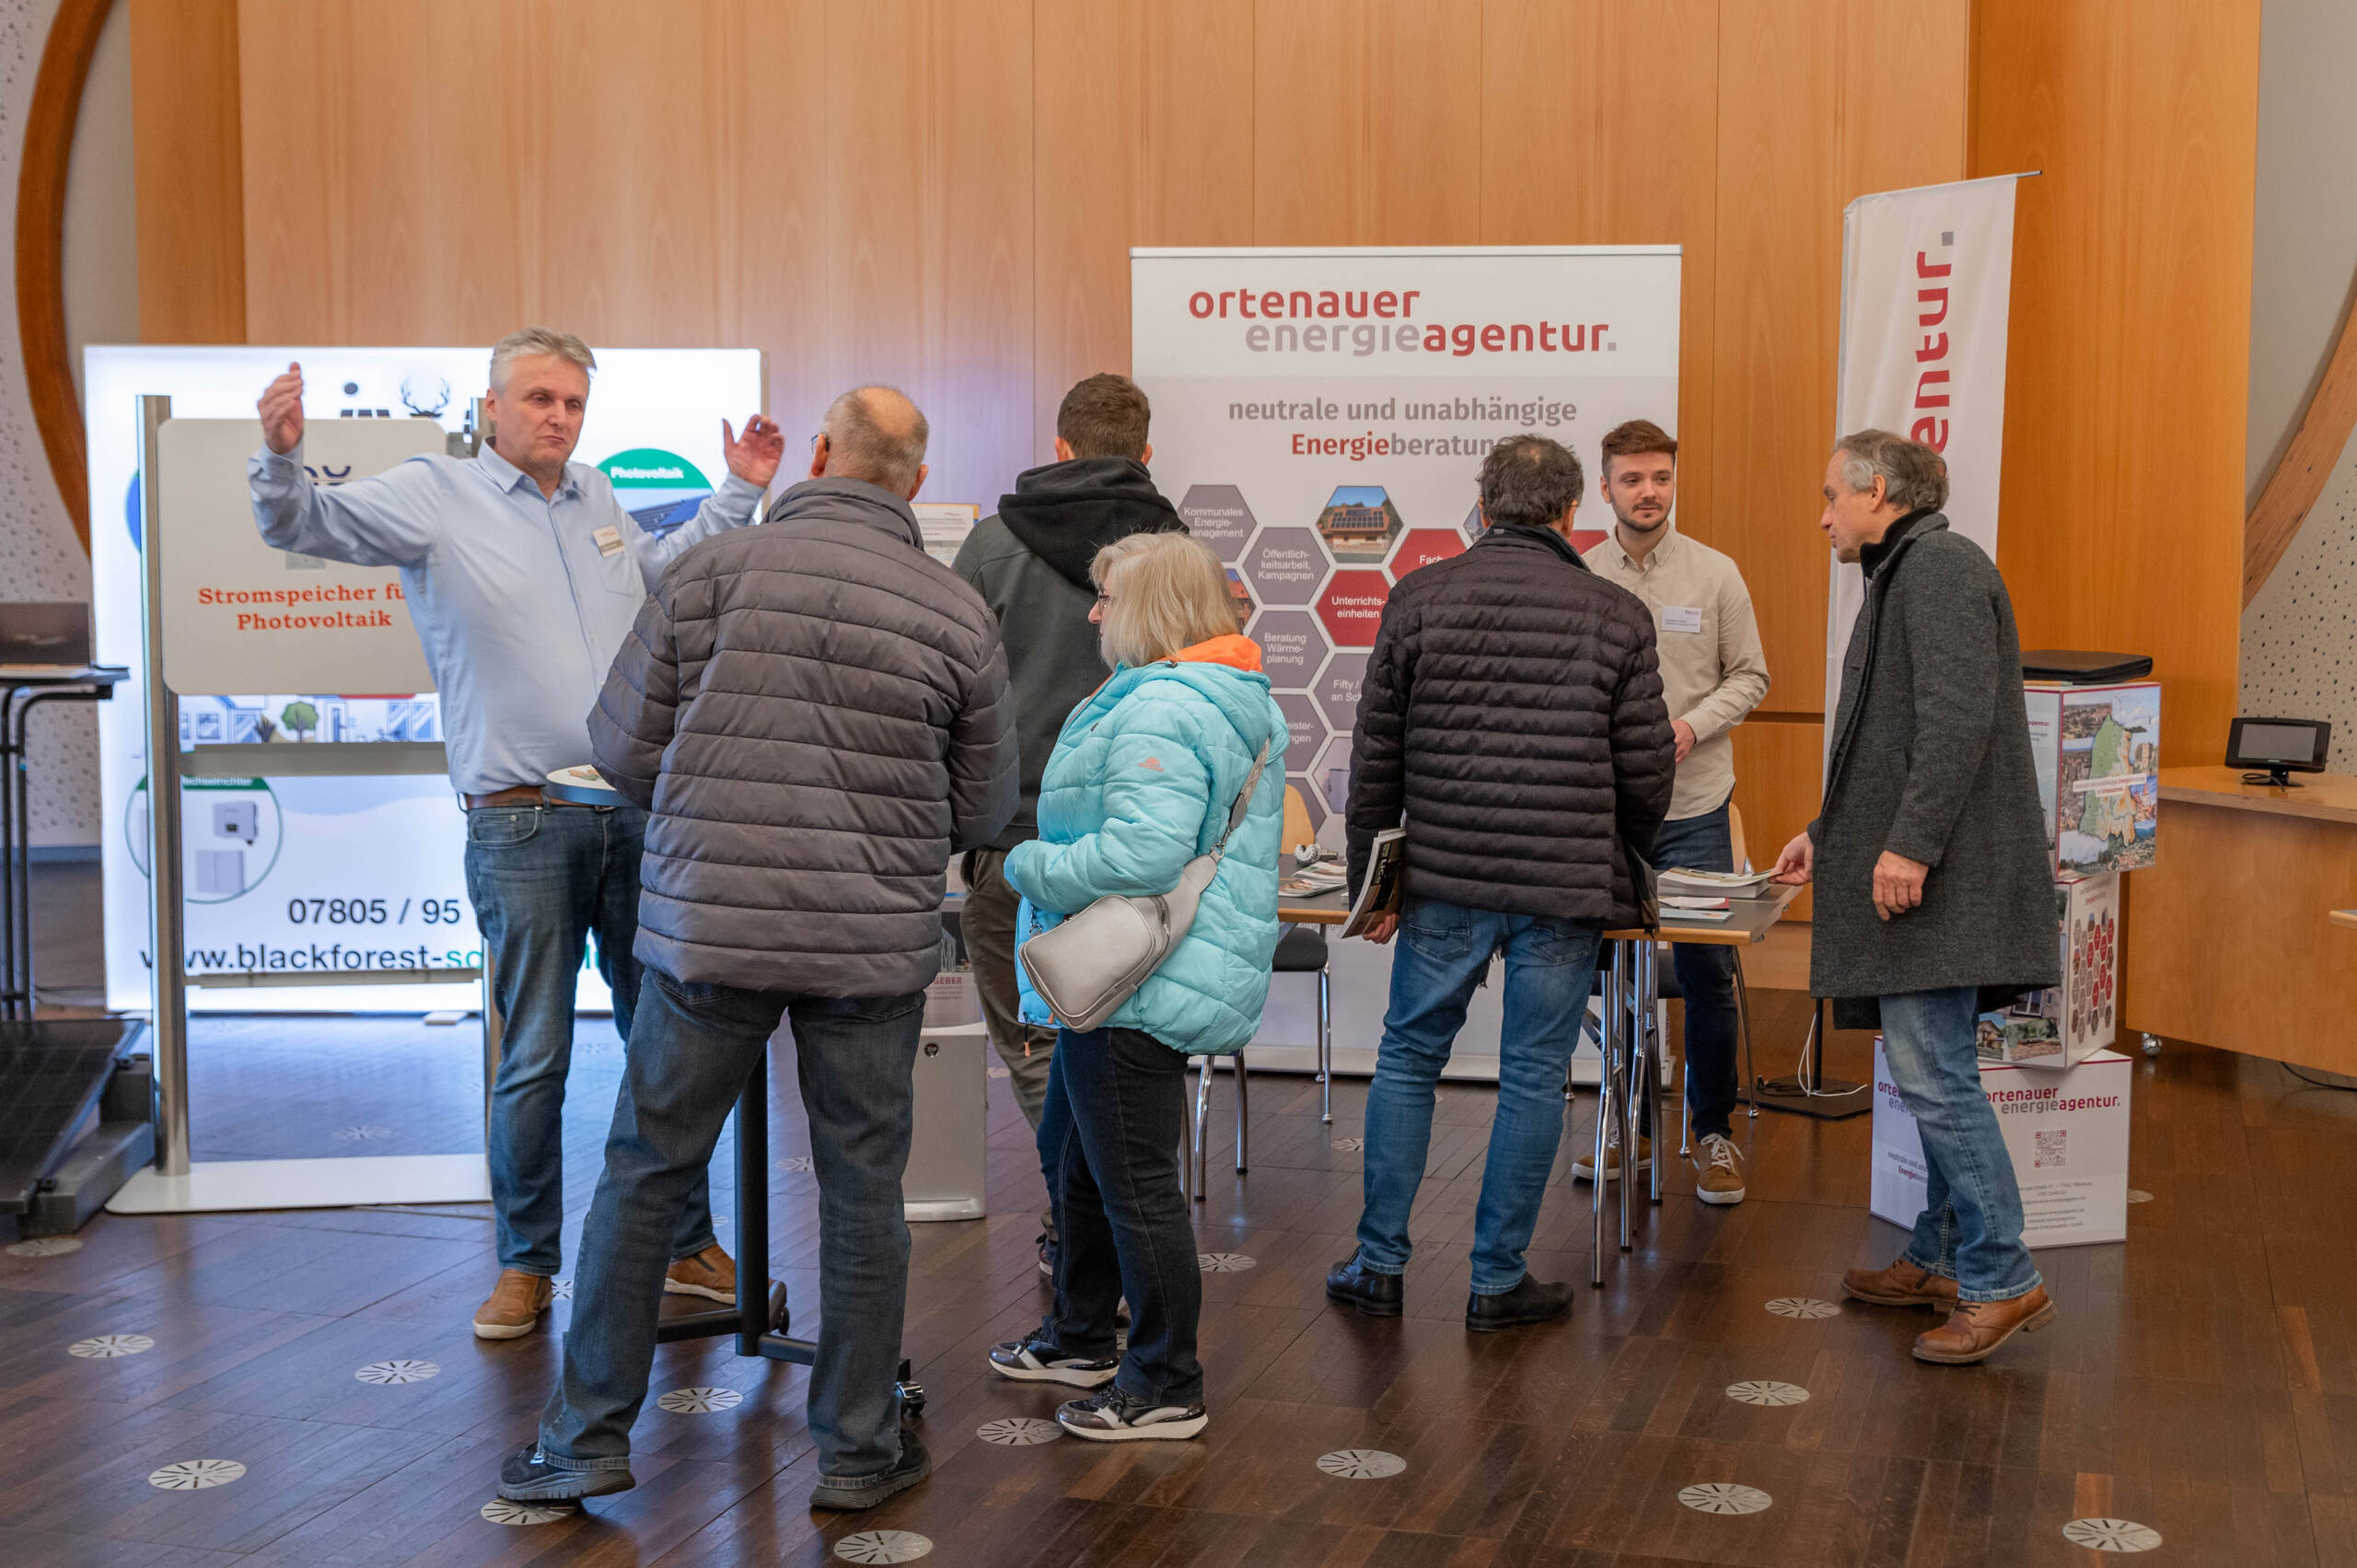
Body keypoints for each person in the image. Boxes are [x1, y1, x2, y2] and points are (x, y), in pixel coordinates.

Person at [497, 386, 1016, 1510]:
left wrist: (705, 811)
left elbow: (619, 745)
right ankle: (858, 1450)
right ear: (917, 483)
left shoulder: (707, 572)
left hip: (708, 930)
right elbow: (983, 809)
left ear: (818, 453)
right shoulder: (955, 608)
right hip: (870, 942)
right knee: (863, 1189)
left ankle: (584, 1440)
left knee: (646, 1169)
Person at [249, 330, 781, 1341]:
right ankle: (526, 1263)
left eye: (573, 402)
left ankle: (686, 1244)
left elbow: (663, 575)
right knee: (534, 1054)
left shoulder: (597, 498)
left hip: (631, 811)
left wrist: (738, 490)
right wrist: (279, 457)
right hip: (522, 820)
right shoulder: (434, 493)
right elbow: (304, 521)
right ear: (492, 406)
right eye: (539, 398)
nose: (559, 417)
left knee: (665, 1042)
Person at [1327, 435, 1676, 1331]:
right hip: (1564, 885)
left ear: (1482, 507)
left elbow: (1375, 755)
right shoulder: (1615, 612)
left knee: (1408, 1055)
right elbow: (1647, 773)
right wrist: (1623, 855)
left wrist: (1374, 878)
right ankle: (1496, 1279)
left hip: (1444, 877)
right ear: (1572, 512)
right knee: (1533, 1072)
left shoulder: (1418, 597)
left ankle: (1378, 1266)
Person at [983, 530, 1284, 1441]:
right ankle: (1080, 1336)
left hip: (1137, 984)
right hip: (1147, 975)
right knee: (1076, 1157)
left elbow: (1143, 854)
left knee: (1134, 1184)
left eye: (1108, 596)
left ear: (1150, 606)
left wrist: (1024, 864)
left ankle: (1164, 1382)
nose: (1093, 612)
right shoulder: (1200, 691)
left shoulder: (1163, 702)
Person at [1771, 429, 2060, 1365]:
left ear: (1879, 492)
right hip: (1930, 880)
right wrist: (1826, 831)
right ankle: (1939, 1256)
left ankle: (2003, 1276)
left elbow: (1953, 725)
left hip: (1940, 886)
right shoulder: (1906, 570)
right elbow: (1889, 742)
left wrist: (1908, 845)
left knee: (1935, 1076)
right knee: (1933, 1072)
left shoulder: (1937, 569)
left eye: (1831, 495)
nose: (1822, 515)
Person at [952, 373, 1186, 1277]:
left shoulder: (989, 546)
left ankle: (1079, 1234)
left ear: (1059, 447)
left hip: (1014, 840)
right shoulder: (1177, 556)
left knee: (1033, 1045)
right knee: (1124, 1051)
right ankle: (1110, 1233)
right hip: (1139, 846)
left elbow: (948, 689)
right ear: (1146, 452)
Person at [1578, 419, 1770, 1203]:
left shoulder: (1716, 574)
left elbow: (1751, 676)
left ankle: (1712, 1131)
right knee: (1612, 973)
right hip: (1608, 815)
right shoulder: (1582, 575)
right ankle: (1629, 1124)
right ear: (1606, 488)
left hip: (1695, 808)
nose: (1648, 491)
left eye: (1660, 477)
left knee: (1706, 972)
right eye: (1632, 479)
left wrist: (1690, 726)